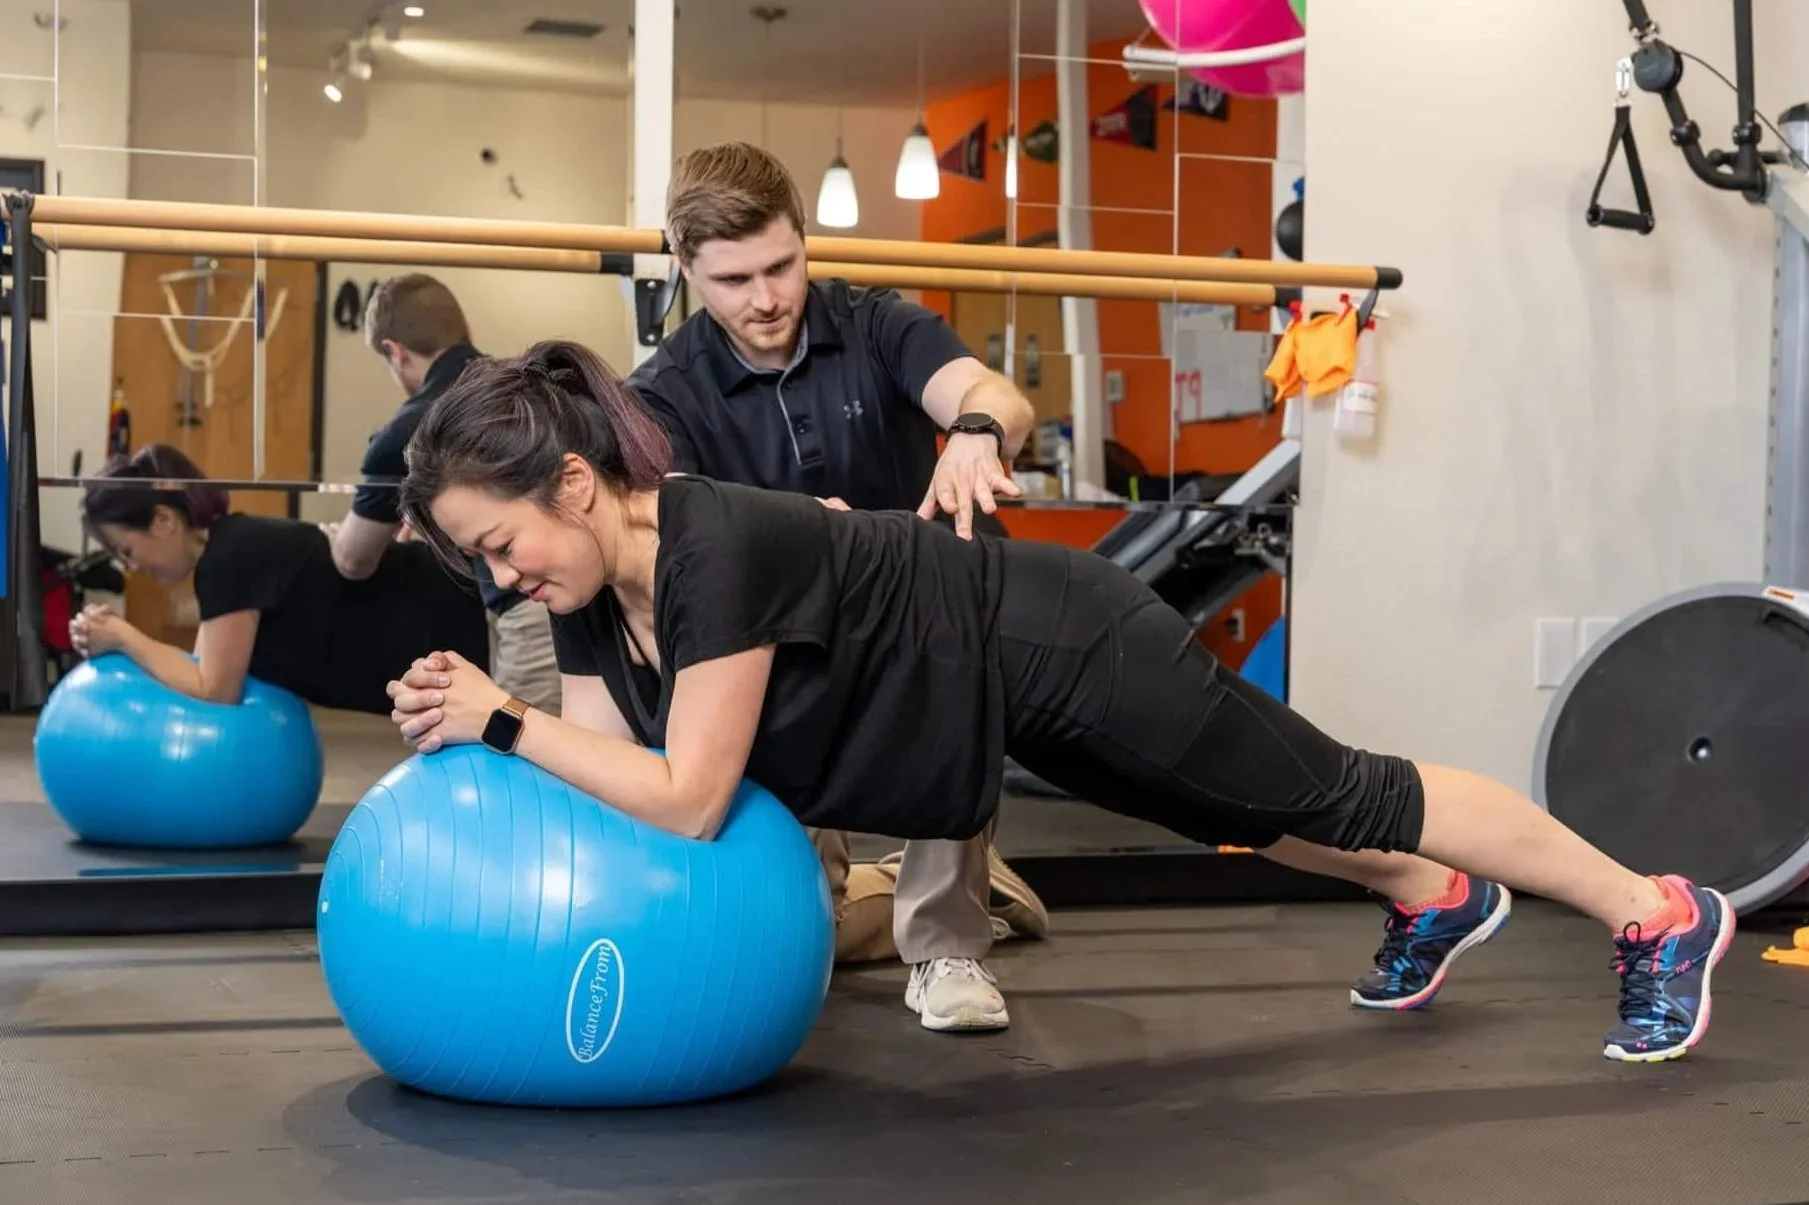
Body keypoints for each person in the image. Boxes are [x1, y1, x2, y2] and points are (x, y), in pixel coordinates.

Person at [385, 340, 1734, 1065]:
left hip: (1057, 641)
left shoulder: (709, 547)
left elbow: (681, 800)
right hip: (990, 697)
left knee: (1334, 784)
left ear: (569, 483)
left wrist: (499, 721)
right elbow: (608, 765)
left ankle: (1658, 911)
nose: (504, 579)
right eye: (480, 565)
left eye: (501, 544)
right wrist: (475, 715)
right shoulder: (579, 594)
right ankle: (1431, 895)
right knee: (1221, 811)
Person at [624, 140, 1048, 1032]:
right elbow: (668, 541)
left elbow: (990, 391)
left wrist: (976, 429)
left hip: (920, 622)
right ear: (686, 269)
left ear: (804, 240)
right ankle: (926, 888)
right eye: (734, 280)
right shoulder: (661, 392)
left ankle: (946, 939)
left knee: (953, 633)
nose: (767, 298)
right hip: (782, 648)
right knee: (789, 935)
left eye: (781, 265)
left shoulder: (877, 323)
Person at [71, 444, 488, 714]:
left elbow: (215, 689)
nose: (132, 567)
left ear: (163, 521)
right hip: (459, 617)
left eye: (127, 551)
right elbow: (201, 668)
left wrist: (124, 637)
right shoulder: (229, 549)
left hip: (473, 615)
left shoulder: (229, 556)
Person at [326, 273, 563, 718]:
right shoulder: (533, 385)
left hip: (533, 610)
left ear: (392, 351)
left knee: (528, 764)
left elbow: (353, 559)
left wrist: (334, 535)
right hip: (598, 600)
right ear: (466, 330)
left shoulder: (407, 430)